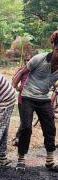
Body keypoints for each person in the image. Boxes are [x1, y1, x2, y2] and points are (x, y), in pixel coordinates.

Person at [12, 35, 58, 172]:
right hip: (27, 96)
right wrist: (13, 88)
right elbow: (21, 72)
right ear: (54, 48)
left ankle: (50, 160)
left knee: (50, 127)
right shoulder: (40, 59)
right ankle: (21, 159)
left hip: (44, 98)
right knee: (26, 127)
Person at [11, 55, 32, 146]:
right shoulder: (22, 70)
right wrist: (18, 88)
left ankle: (19, 137)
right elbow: (13, 80)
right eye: (26, 60)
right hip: (22, 99)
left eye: (29, 60)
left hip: (32, 99)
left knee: (26, 121)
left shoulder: (35, 71)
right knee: (24, 120)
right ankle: (19, 137)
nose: (27, 62)